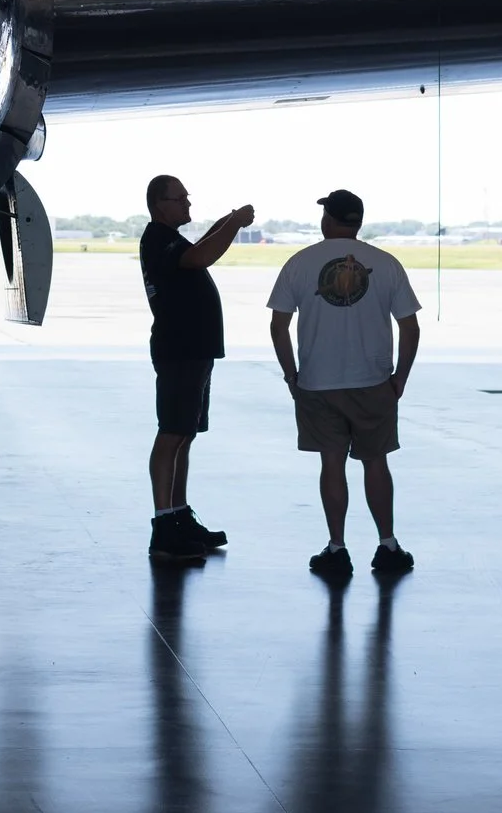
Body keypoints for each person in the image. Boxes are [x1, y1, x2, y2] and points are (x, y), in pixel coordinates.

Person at [267, 188, 422, 582]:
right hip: (373, 381)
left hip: (318, 382)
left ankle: (337, 548)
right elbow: (410, 327)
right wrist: (400, 379)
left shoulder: (300, 263)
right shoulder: (386, 264)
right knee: (376, 462)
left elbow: (279, 326)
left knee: (332, 463)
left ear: (328, 219)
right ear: (358, 221)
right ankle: (388, 545)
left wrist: (291, 375)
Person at [140, 174, 253, 564]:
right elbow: (201, 256)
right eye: (181, 199)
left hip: (193, 352)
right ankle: (164, 525)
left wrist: (228, 220)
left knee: (184, 434)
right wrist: (234, 225)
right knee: (172, 433)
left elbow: (200, 246)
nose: (188, 204)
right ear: (160, 204)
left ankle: (179, 513)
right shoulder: (159, 239)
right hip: (180, 351)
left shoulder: (169, 239)